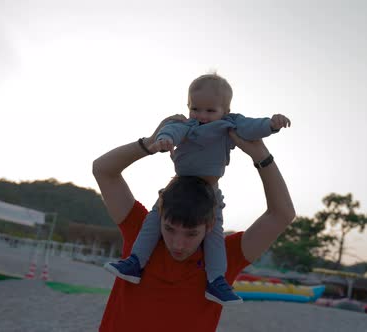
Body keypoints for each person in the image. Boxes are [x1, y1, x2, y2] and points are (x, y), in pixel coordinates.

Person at [92, 114, 296, 332]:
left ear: (209, 226)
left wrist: (261, 155)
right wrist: (150, 142)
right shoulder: (141, 234)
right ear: (159, 215)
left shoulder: (224, 256)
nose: (177, 244)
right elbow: (103, 170)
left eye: (191, 234)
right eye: (169, 229)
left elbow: (282, 215)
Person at [105, 74, 291, 305]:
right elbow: (171, 132)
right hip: (177, 188)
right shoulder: (187, 125)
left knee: (214, 235)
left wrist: (271, 125)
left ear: (226, 110)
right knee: (152, 222)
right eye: (195, 109)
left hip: (209, 192)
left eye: (210, 111)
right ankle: (135, 262)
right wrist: (161, 140)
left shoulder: (230, 124)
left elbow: (253, 127)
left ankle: (215, 280)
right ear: (188, 106)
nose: (202, 116)